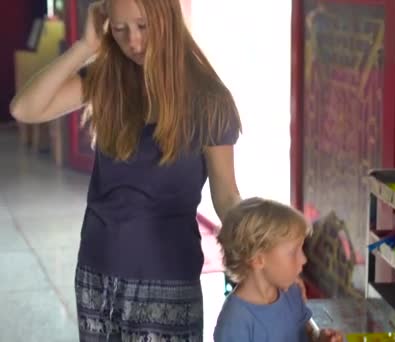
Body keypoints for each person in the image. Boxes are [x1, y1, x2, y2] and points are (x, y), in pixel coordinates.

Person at [10, 0, 242, 340]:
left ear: (167, 19)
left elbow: (226, 193)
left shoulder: (209, 99)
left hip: (169, 278)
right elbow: (24, 109)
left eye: (143, 27)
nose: (133, 42)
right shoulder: (108, 81)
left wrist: (254, 241)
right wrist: (86, 46)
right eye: (120, 30)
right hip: (99, 272)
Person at [214, 197, 343, 342]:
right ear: (258, 259)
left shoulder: (291, 293)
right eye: (293, 252)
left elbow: (306, 333)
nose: (304, 259)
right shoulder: (234, 323)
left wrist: (320, 339)